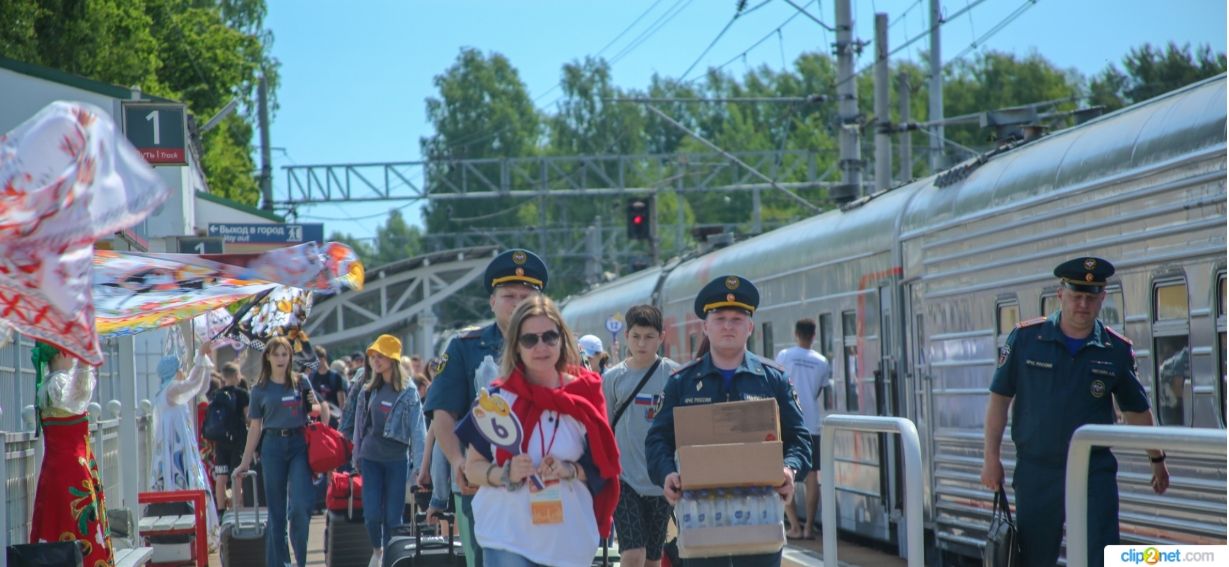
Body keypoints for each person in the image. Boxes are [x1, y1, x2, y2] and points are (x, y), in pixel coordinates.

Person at [981, 257, 1170, 567]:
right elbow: (999, 400)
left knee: (1100, 557)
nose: (1083, 305)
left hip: (1093, 471)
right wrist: (991, 458)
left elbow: (1137, 411)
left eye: (1091, 297)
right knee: (1035, 559)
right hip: (1037, 470)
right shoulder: (1027, 339)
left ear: (1102, 298)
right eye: (1076, 296)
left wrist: (1157, 460)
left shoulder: (1115, 350)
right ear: (1061, 295)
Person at [645, 275, 811, 567]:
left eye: (737, 319)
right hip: (701, 519)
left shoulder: (773, 380)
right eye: (720, 319)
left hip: (760, 516)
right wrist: (667, 474)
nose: (728, 326)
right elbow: (657, 440)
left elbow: (800, 439)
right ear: (705, 327)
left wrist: (790, 469)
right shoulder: (682, 383)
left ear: (750, 327)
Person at [457, 295, 621, 567]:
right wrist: (506, 473)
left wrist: (568, 469)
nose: (541, 346)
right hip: (506, 537)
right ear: (516, 346)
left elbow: (602, 468)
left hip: (568, 542)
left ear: (562, 339)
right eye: (530, 339)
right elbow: (472, 468)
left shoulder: (586, 394)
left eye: (550, 337)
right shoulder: (495, 399)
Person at [424, 248, 550, 567]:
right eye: (509, 295)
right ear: (492, 301)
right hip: (482, 481)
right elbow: (443, 412)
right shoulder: (464, 347)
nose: (517, 302)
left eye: (526, 296)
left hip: (546, 479)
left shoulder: (557, 345)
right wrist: (458, 461)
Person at [233, 337, 330, 567]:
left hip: (298, 444)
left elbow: (318, 408)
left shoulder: (301, 381)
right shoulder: (259, 389)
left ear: (290, 357)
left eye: (284, 354)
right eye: (276, 354)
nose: (280, 359)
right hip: (272, 446)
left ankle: (301, 562)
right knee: (276, 513)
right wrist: (245, 462)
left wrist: (312, 405)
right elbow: (255, 427)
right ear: (267, 357)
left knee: (299, 508)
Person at [601, 305, 680, 567]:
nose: (642, 343)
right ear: (626, 336)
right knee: (633, 553)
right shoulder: (612, 379)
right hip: (624, 480)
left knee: (653, 558)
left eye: (649, 337)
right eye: (636, 336)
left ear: (661, 337)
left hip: (662, 480)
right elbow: (604, 428)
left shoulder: (675, 376)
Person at [29, 341, 115, 567]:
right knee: (79, 526)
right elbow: (80, 391)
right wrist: (86, 361)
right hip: (73, 472)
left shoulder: (46, 386)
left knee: (55, 526)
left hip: (55, 470)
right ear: (60, 353)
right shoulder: (58, 383)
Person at [351, 335, 427, 567]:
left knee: (393, 519)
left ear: (393, 359)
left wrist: (420, 467)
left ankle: (390, 561)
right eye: (373, 356)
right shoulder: (368, 389)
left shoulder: (409, 392)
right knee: (371, 516)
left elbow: (418, 431)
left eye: (381, 356)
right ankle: (378, 551)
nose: (376, 360)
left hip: (397, 461)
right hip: (370, 458)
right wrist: (356, 456)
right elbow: (359, 427)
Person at [150, 341, 220, 547]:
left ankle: (190, 533)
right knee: (182, 482)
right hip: (177, 450)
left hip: (176, 448)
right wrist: (200, 357)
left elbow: (199, 386)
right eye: (179, 367)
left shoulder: (167, 391)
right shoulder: (171, 389)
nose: (182, 371)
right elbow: (193, 384)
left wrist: (203, 361)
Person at [774, 318, 831, 541]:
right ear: (814, 336)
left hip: (786, 421)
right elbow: (818, 391)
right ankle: (808, 527)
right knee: (812, 475)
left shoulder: (784, 356)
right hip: (811, 423)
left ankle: (794, 526)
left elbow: (778, 385)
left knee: (782, 472)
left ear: (796, 334)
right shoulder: (822, 361)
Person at [212, 361, 251, 512]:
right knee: (237, 475)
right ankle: (236, 508)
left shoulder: (217, 394)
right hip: (238, 439)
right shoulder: (242, 394)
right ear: (236, 375)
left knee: (221, 476)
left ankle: (221, 510)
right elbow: (248, 417)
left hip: (220, 440)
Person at [311, 345, 347, 426]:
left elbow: (342, 402)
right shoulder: (312, 377)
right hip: (319, 421)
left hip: (335, 419)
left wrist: (342, 420)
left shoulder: (335, 376)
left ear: (323, 358)